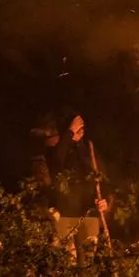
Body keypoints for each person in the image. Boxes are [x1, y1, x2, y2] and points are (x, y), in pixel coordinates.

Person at [43, 113, 110, 264]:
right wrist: (69, 134)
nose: (80, 130)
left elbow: (102, 178)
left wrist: (103, 199)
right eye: (75, 126)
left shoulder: (89, 150)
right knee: (66, 263)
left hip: (88, 214)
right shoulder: (58, 150)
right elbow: (56, 165)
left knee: (86, 263)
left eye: (81, 126)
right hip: (65, 215)